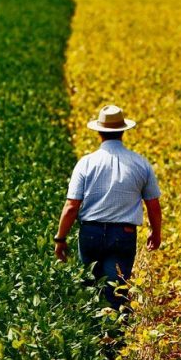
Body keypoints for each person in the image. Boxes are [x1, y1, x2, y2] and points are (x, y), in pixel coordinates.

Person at [54, 104, 162, 310]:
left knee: (91, 290)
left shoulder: (86, 163)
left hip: (90, 233)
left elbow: (71, 206)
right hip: (123, 233)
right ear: (123, 131)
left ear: (99, 132)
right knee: (117, 292)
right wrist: (155, 233)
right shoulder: (141, 163)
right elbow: (153, 205)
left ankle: (94, 335)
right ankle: (116, 338)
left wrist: (60, 238)